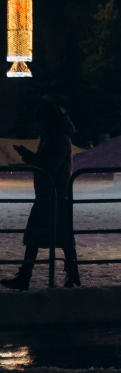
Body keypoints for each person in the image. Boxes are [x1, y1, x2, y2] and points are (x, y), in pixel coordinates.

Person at [2, 101, 80, 291]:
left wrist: (28, 156)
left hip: (53, 195)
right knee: (51, 236)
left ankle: (31, 277)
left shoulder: (58, 138)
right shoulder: (53, 136)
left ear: (48, 121)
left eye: (41, 122)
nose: (39, 125)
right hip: (50, 194)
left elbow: (49, 165)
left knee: (47, 236)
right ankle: (70, 276)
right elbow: (48, 163)